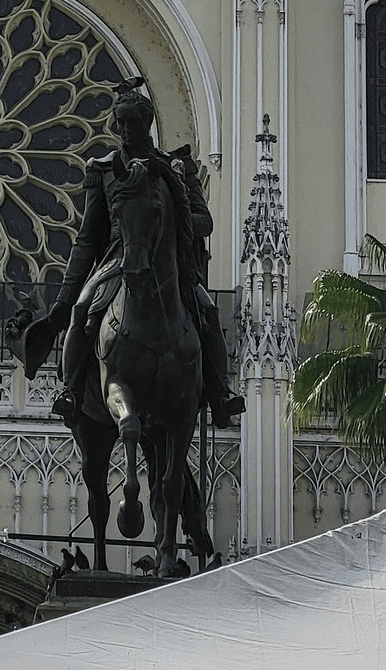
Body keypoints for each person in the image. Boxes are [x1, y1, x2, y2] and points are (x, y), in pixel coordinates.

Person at [23, 86, 245, 428]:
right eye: (120, 123)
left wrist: (175, 209)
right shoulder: (103, 171)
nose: (126, 130)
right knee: (83, 310)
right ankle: (69, 391)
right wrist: (62, 303)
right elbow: (87, 239)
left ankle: (221, 392)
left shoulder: (177, 166)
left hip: (169, 261)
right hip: (117, 259)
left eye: (132, 123)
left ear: (147, 123)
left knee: (209, 313)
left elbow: (205, 222)